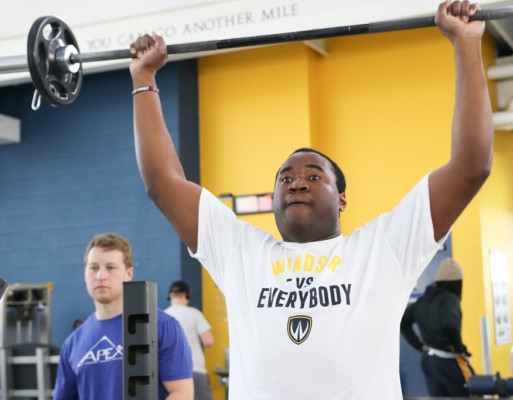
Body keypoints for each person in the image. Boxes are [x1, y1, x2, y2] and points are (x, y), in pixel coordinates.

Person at [128, 0, 492, 398]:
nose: (296, 183)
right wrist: (144, 79)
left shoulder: (382, 248)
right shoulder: (242, 254)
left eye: (313, 176)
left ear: (342, 200)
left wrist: (466, 44)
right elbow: (163, 183)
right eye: (286, 177)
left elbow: (471, 166)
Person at [54, 233, 194, 399]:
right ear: (85, 274)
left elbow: (181, 393)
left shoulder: (160, 325)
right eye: (94, 268)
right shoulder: (72, 344)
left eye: (111, 267)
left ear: (128, 274)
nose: (100, 276)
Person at [400, 257, 474, 396]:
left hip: (429, 360)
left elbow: (403, 322)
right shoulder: (450, 298)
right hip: (449, 360)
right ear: (457, 283)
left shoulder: (422, 301)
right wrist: (460, 348)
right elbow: (450, 324)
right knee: (473, 393)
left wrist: (419, 346)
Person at [165, 280, 215, 400]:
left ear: (170, 297)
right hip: (194, 369)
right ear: (186, 296)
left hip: (170, 374)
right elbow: (209, 340)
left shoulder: (164, 316)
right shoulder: (194, 313)